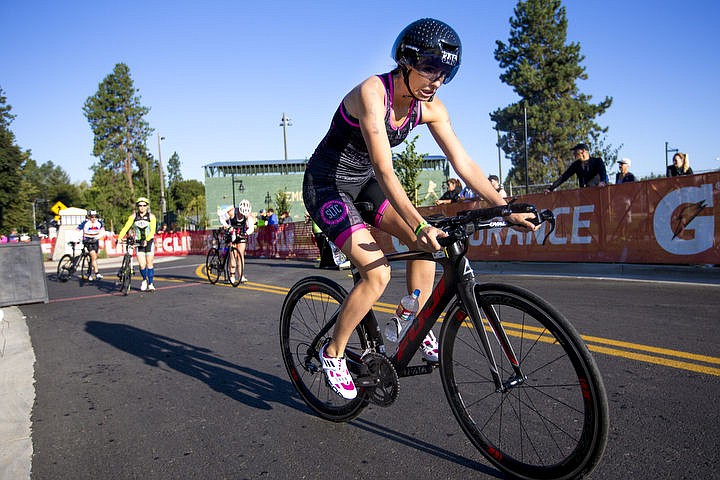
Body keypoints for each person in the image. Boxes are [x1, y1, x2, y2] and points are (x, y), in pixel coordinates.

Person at [303, 18, 537, 399]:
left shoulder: (431, 108)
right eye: (430, 68)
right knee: (377, 275)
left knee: (430, 244)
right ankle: (334, 352)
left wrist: (504, 206)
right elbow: (385, 168)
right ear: (407, 62)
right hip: (328, 185)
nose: (437, 80)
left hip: (364, 184)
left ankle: (410, 321)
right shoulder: (371, 93)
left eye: (445, 72)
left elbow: (463, 163)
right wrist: (418, 224)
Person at [117, 197, 158, 292]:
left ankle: (151, 283)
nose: (142, 207)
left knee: (149, 263)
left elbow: (152, 231)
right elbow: (126, 228)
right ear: (137, 206)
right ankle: (144, 280)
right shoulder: (133, 217)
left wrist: (147, 240)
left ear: (147, 206)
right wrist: (119, 237)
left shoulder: (151, 217)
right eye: (140, 205)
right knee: (142, 264)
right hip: (138, 242)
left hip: (149, 242)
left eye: (144, 205)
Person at [218, 200, 254, 283]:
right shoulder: (232, 211)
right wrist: (227, 226)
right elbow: (221, 218)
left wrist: (246, 233)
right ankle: (232, 275)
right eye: (241, 213)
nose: (242, 215)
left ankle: (241, 276)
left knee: (240, 255)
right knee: (233, 255)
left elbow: (251, 227)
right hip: (232, 232)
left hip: (241, 233)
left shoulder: (248, 215)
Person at [76, 210, 106, 280]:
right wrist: (76, 239)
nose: (93, 218)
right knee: (93, 256)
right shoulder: (85, 223)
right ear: (89, 217)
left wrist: (100, 239)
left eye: (95, 217)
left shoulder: (99, 222)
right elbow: (77, 230)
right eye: (92, 217)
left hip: (95, 241)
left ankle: (89, 273)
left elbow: (103, 231)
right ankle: (97, 273)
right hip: (87, 241)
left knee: (93, 258)